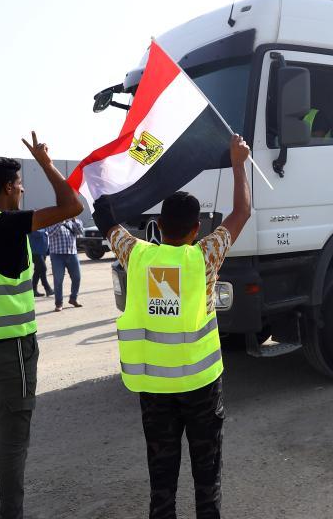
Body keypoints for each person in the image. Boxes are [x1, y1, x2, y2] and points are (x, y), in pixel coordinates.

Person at [98, 134, 252, 519]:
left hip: (154, 388)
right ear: (196, 228)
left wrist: (100, 181)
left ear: (159, 225)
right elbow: (242, 212)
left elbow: (107, 222)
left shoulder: (136, 255)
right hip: (201, 386)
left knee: (162, 482)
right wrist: (238, 164)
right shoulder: (205, 256)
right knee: (207, 478)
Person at [0, 134, 83, 519]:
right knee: (12, 447)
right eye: (20, 184)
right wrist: (45, 162)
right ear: (9, 187)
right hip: (10, 352)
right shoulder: (7, 225)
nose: (23, 190)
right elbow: (72, 205)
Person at [46, 217, 84, 312]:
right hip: (57, 255)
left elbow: (80, 232)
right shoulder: (51, 220)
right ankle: (59, 303)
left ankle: (73, 298)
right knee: (58, 280)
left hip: (72, 253)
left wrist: (74, 220)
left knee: (77, 277)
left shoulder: (72, 220)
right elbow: (50, 233)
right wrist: (61, 221)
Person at [28, 227, 52, 298]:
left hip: (42, 250)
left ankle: (33, 290)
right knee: (43, 268)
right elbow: (36, 233)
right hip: (35, 251)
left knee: (38, 270)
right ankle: (47, 288)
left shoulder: (44, 227)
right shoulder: (34, 224)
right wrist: (46, 230)